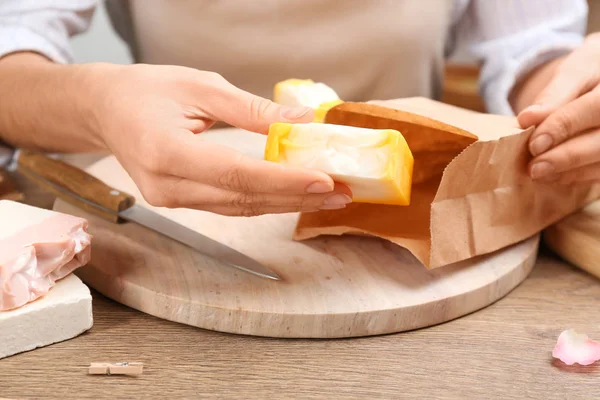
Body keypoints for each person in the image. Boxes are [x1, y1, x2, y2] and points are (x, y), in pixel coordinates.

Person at [0, 0, 597, 217]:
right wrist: (97, 101)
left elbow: (529, 52)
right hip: (173, 214)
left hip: (406, 220)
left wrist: (570, 104)